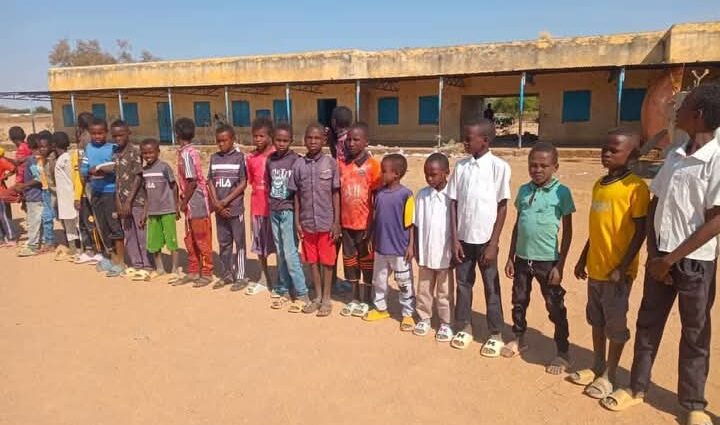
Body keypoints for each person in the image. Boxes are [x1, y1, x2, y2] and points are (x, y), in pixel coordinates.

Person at [600, 85, 720, 425]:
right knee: (648, 323)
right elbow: (657, 203)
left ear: (698, 115)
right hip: (660, 258)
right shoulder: (675, 154)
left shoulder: (716, 160)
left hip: (696, 262)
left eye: (683, 106)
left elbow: (716, 220)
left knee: (695, 332)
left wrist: (670, 259)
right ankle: (636, 387)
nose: (675, 110)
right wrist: (656, 254)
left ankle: (693, 405)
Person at [571, 129, 649, 399]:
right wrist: (583, 258)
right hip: (596, 268)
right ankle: (597, 365)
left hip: (617, 273)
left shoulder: (636, 188)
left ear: (632, 155)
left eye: (614, 150)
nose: (606, 153)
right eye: (605, 148)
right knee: (597, 320)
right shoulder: (599, 185)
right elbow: (597, 229)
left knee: (615, 324)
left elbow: (640, 231)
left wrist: (623, 267)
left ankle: (610, 373)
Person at [502, 142, 574, 374]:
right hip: (523, 258)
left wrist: (560, 265)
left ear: (555, 167)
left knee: (555, 306)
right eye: (533, 165)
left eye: (544, 165)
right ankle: (518, 338)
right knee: (519, 300)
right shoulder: (524, 190)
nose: (537, 170)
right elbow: (518, 225)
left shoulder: (562, 193)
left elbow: (568, 232)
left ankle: (562, 352)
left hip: (547, 261)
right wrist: (511, 256)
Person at [448, 119, 510, 356]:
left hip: (486, 241)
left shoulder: (499, 167)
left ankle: (496, 333)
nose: (464, 142)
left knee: (491, 287)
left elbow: (502, 206)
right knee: (463, 284)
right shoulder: (461, 167)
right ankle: (464, 326)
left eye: (469, 138)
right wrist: (455, 239)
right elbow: (453, 204)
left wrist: (494, 243)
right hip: (463, 239)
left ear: (484, 140)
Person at [289, 123, 341, 317]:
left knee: (327, 262)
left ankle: (326, 298)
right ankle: (317, 296)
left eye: (317, 138)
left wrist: (336, 222)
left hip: (327, 222)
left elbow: (335, 193)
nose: (313, 141)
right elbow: (296, 196)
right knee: (312, 261)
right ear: (304, 140)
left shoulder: (331, 163)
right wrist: (297, 221)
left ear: (324, 140)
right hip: (307, 223)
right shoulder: (298, 165)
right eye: (309, 138)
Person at [363, 153, 416, 330]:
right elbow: (375, 217)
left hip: (400, 250)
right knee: (379, 280)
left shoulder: (406, 195)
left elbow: (410, 223)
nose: (381, 174)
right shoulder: (379, 194)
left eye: (384, 171)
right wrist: (372, 236)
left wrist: (411, 246)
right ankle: (380, 308)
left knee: (404, 283)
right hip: (381, 248)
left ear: (396, 174)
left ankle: (407, 314)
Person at [338, 122, 382, 317]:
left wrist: (373, 226)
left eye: (356, 140)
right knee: (350, 262)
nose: (351, 143)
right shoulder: (342, 164)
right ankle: (354, 297)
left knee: (367, 262)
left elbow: (378, 198)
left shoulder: (373, 165)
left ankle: (366, 299)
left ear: (366, 142)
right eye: (349, 140)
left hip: (365, 225)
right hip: (346, 224)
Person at [266, 122, 310, 312]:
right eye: (278, 140)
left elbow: (300, 189)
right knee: (280, 252)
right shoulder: (270, 160)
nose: (281, 144)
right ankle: (284, 288)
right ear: (273, 140)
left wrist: (299, 216)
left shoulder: (296, 160)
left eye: (285, 140)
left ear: (291, 141)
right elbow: (268, 183)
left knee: (291, 253)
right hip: (274, 210)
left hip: (289, 211)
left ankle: (302, 293)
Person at [413, 153, 454, 342]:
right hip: (425, 252)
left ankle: (446, 322)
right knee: (424, 288)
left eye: (434, 174)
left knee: (444, 291)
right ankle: (424, 317)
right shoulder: (422, 195)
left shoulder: (452, 196)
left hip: (445, 254)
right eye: (426, 174)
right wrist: (415, 247)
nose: (429, 178)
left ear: (446, 172)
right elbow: (415, 224)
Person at [79, 117, 125, 276]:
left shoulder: (112, 148)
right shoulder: (88, 148)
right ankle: (111, 258)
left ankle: (121, 261)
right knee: (102, 225)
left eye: (100, 133)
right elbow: (83, 168)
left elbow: (118, 168)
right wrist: (89, 171)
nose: (97, 136)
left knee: (114, 225)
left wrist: (108, 171)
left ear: (106, 133)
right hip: (96, 191)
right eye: (94, 133)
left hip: (110, 191)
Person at [208, 124, 249, 291]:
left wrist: (225, 201)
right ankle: (226, 274)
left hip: (234, 209)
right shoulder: (214, 158)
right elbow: (210, 181)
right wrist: (216, 203)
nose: (221, 144)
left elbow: (243, 183)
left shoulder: (239, 158)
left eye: (224, 140)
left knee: (239, 243)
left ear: (233, 140)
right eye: (218, 141)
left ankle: (241, 276)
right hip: (219, 210)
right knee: (224, 243)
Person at [112, 120, 154, 280]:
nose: (118, 138)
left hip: (136, 201)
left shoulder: (135, 152)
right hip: (122, 201)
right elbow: (116, 179)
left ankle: (147, 264)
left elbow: (138, 177)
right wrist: (118, 201)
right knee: (128, 233)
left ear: (128, 133)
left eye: (121, 135)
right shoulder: (115, 153)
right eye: (115, 136)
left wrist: (129, 201)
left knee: (142, 233)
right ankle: (136, 264)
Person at [174, 118, 213, 287]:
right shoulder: (187, 152)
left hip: (196, 203)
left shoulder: (187, 154)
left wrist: (183, 203)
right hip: (191, 204)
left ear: (177, 134)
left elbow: (192, 181)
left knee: (201, 238)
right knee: (190, 239)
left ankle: (207, 272)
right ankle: (193, 270)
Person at [244, 117, 276, 295]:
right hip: (257, 208)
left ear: (270, 136)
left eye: (261, 136)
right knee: (259, 246)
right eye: (255, 136)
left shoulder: (277, 155)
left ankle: (282, 280)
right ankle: (264, 278)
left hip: (276, 210)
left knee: (279, 246)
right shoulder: (251, 158)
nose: (257, 139)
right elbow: (251, 181)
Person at [141, 138, 180, 282]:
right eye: (145, 153)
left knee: (171, 240)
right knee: (154, 241)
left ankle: (175, 269)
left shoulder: (164, 167)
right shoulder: (144, 171)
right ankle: (160, 268)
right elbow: (146, 194)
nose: (148, 156)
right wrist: (145, 212)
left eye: (151, 152)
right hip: (152, 212)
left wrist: (176, 205)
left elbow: (174, 186)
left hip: (167, 210)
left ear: (158, 152)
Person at [13, 136, 44, 256]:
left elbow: (38, 178)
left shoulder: (33, 159)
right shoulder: (38, 158)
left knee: (33, 222)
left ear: (29, 146)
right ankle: (40, 242)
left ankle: (32, 246)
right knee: (38, 220)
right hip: (36, 194)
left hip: (34, 195)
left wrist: (23, 186)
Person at [53, 131, 81, 260]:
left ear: (54, 144)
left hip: (70, 196)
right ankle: (73, 248)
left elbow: (72, 177)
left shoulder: (65, 159)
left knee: (75, 222)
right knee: (70, 222)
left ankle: (79, 247)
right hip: (65, 196)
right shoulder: (63, 158)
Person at [0, 147, 18, 247]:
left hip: (1, 193)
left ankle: (11, 238)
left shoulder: (2, 160)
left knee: (4, 216)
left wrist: (4, 177)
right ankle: (1, 239)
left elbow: (13, 168)